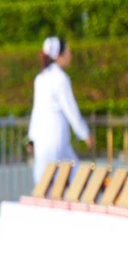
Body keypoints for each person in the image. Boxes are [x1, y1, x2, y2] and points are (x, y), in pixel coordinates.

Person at [28, 35, 91, 184]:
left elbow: (36, 112)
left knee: (61, 179)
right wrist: (85, 133)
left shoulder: (41, 78)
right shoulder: (60, 79)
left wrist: (30, 139)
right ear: (59, 56)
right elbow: (71, 110)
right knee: (53, 182)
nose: (71, 55)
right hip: (55, 139)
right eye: (68, 51)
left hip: (45, 139)